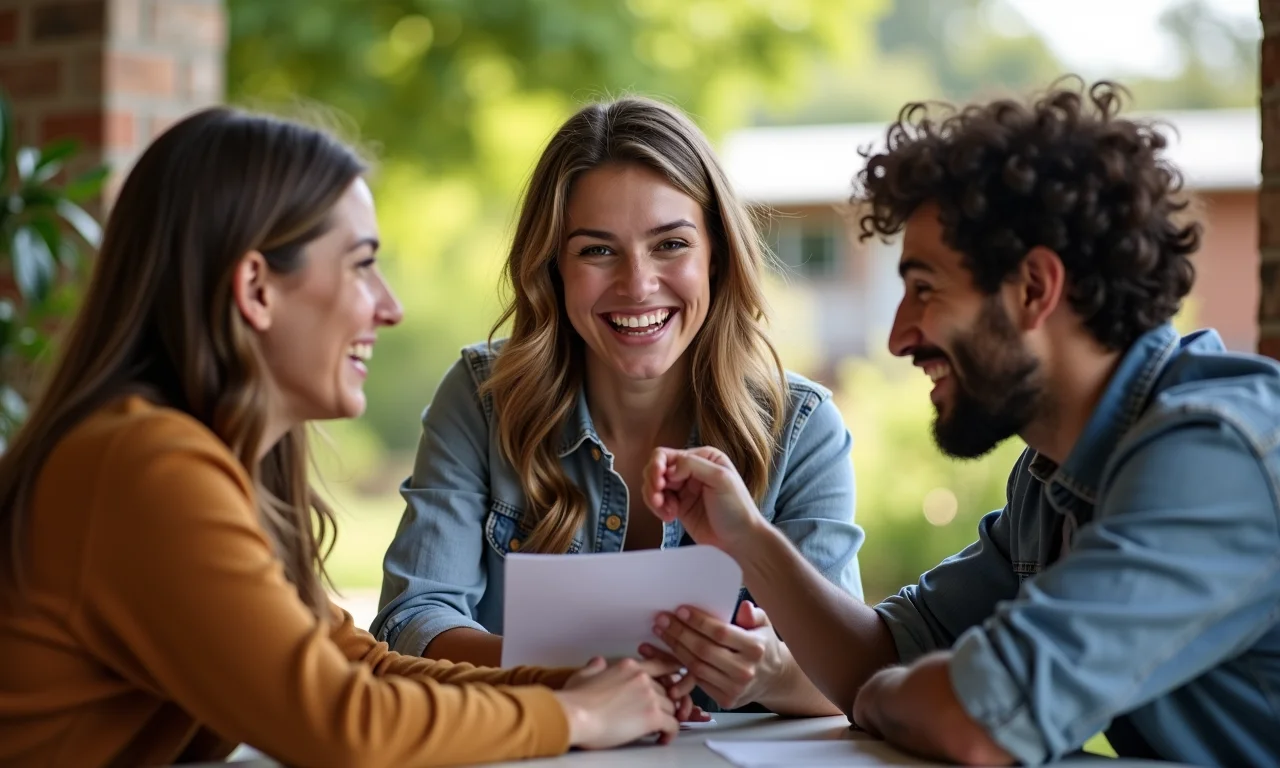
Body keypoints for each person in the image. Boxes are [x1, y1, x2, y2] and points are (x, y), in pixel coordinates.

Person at [0, 107, 693, 768]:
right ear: (256, 289)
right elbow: (342, 721)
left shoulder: (203, 463)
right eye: (362, 265)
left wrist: (583, 687)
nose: (390, 307)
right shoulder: (144, 467)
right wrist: (576, 716)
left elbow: (362, 667)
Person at [641, 79, 1280, 767]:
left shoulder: (1217, 455)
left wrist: (895, 695)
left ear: (1034, 289)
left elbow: (977, 718)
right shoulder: (1050, 478)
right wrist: (747, 540)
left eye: (925, 288)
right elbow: (888, 652)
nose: (898, 336)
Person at [371, 96, 864, 716]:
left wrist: (772, 677)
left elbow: (857, 673)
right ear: (552, 266)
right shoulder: (482, 398)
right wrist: (570, 681)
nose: (638, 284)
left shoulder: (801, 429)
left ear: (716, 254)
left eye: (670, 244)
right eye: (597, 251)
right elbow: (410, 621)